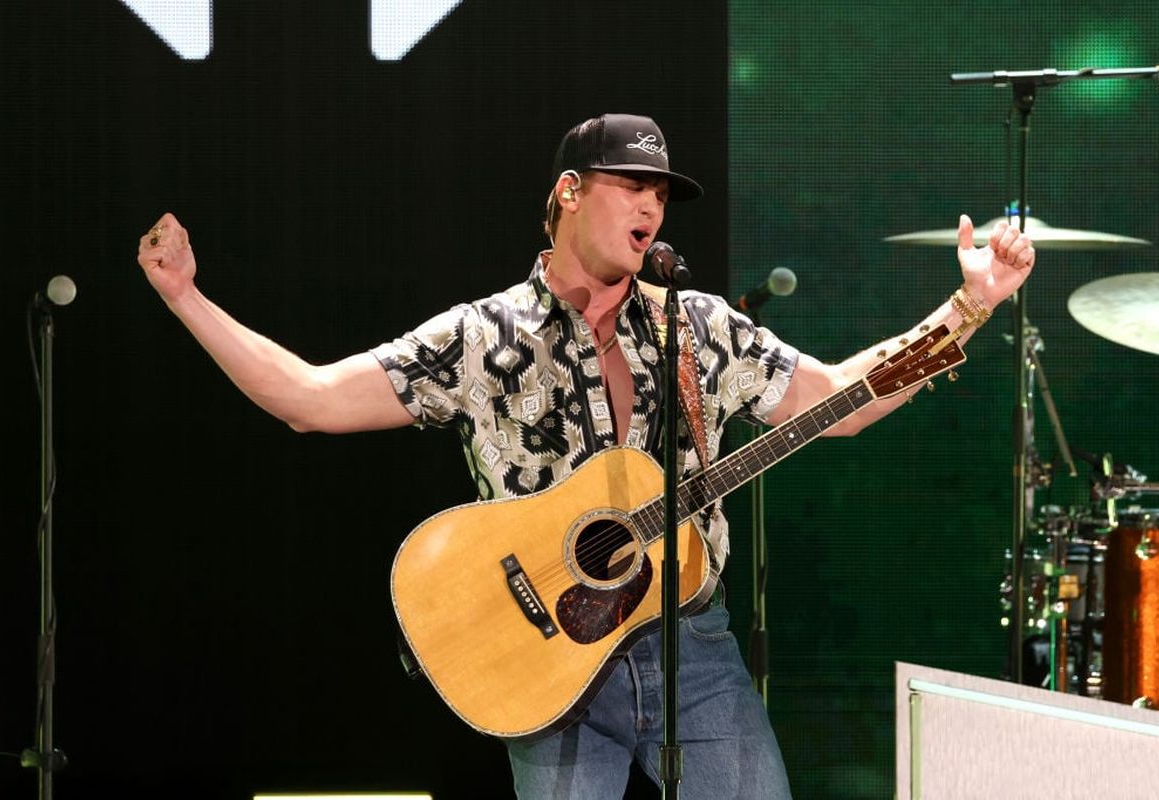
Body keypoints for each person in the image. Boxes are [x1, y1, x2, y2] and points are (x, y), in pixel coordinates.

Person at [136, 113, 1035, 799]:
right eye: (629, 184)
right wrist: (187, 300)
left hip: (692, 646)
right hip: (546, 655)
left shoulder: (697, 325)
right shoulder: (483, 337)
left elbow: (835, 401)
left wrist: (969, 309)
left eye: (661, 193)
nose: (650, 205)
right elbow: (311, 400)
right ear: (569, 192)